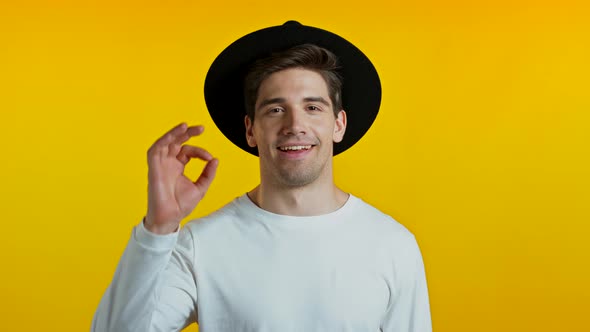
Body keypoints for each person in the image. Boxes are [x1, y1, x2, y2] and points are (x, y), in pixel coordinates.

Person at [92, 21, 432, 332]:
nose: (295, 125)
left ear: (338, 124)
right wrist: (158, 228)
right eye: (276, 109)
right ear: (251, 130)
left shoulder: (392, 245)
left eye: (312, 107)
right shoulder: (202, 245)